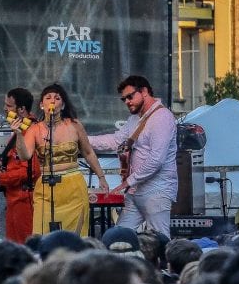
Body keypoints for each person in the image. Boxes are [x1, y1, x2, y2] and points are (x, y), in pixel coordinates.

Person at [88, 75, 178, 237]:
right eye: (124, 99)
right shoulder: (134, 119)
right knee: (118, 236)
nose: (127, 102)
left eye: (130, 96)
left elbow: (156, 160)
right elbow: (115, 141)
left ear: (144, 91)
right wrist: (82, 139)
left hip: (157, 191)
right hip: (136, 191)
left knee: (160, 239)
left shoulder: (162, 117)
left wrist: (128, 182)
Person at [16, 84, 109, 236]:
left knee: (75, 237)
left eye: (57, 98)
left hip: (73, 186)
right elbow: (24, 156)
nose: (52, 100)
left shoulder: (74, 125)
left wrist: (101, 177)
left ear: (63, 105)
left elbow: (88, 152)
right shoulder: (34, 129)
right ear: (42, 104)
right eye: (48, 98)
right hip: (46, 187)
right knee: (42, 234)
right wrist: (19, 134)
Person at [0, 88, 37, 243]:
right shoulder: (21, 129)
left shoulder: (30, 131)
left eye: (9, 106)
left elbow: (29, 171)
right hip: (15, 198)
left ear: (21, 109)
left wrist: (1, 176)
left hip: (24, 198)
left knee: (24, 243)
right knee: (14, 242)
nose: (5, 109)